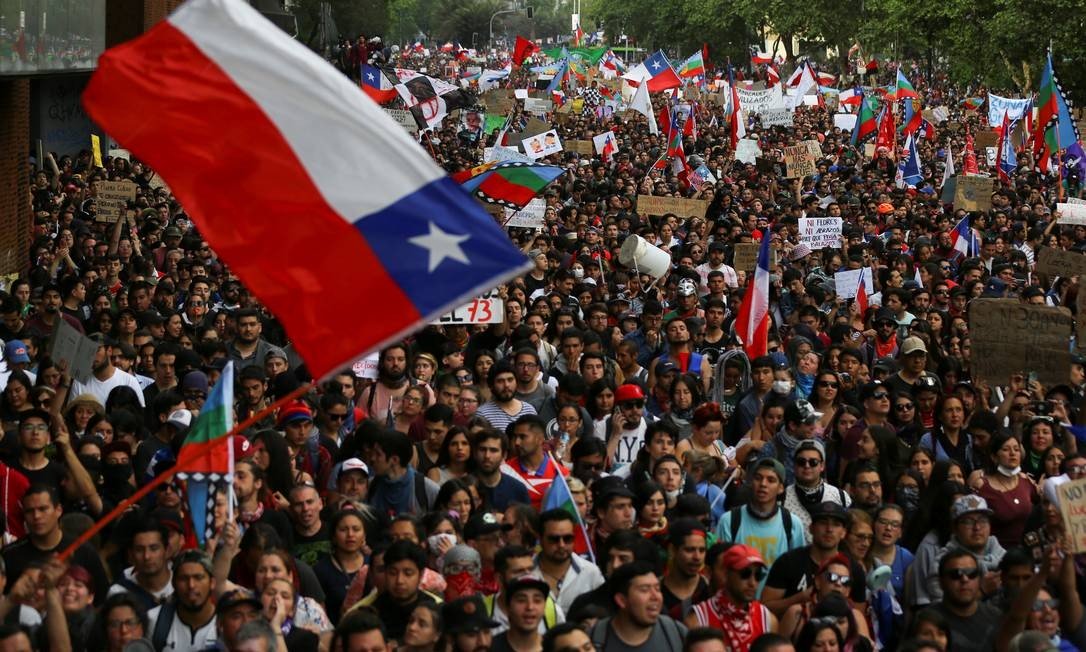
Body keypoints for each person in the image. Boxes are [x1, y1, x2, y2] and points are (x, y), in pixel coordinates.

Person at [716, 459, 806, 570]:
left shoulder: (792, 524)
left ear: (781, 488)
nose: (763, 484)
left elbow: (797, 571)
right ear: (751, 483)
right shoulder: (729, 521)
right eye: (758, 478)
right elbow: (720, 569)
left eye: (771, 480)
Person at [687, 544, 777, 652]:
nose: (752, 583)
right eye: (745, 574)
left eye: (758, 575)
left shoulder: (768, 620)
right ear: (726, 574)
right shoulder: (697, 620)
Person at [589, 561, 688, 652]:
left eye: (657, 589)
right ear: (622, 600)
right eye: (645, 590)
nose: (655, 597)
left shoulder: (675, 633)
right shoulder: (594, 640)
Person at [147, 550, 218, 652]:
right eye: (183, 578)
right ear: (173, 584)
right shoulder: (154, 619)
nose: (191, 585)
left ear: (212, 583)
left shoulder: (227, 623)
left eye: (198, 577)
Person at [536, 508, 605, 614]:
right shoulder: (525, 572)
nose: (561, 545)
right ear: (540, 539)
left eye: (567, 538)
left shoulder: (591, 573)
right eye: (554, 539)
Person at [931, 550, 1001, 652]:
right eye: (955, 574)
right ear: (941, 582)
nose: (965, 579)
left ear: (979, 579)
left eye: (972, 574)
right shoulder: (927, 621)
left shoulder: (996, 617)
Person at [781, 439, 850, 539]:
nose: (807, 466)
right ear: (794, 465)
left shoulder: (841, 497)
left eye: (813, 462)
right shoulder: (782, 498)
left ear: (822, 466)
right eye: (801, 462)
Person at [106, 519, 174, 611]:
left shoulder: (183, 585)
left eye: (154, 548)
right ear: (130, 555)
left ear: (167, 550)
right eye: (139, 550)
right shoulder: (119, 592)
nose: (147, 556)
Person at [473, 428, 530, 511]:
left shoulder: (518, 489)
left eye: (493, 450)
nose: (487, 456)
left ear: (504, 455)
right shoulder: (465, 487)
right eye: (482, 449)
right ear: (475, 453)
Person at [492, 573, 550, 652]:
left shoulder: (554, 647)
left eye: (537, 601)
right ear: (508, 607)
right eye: (521, 600)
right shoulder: (490, 647)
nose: (530, 607)